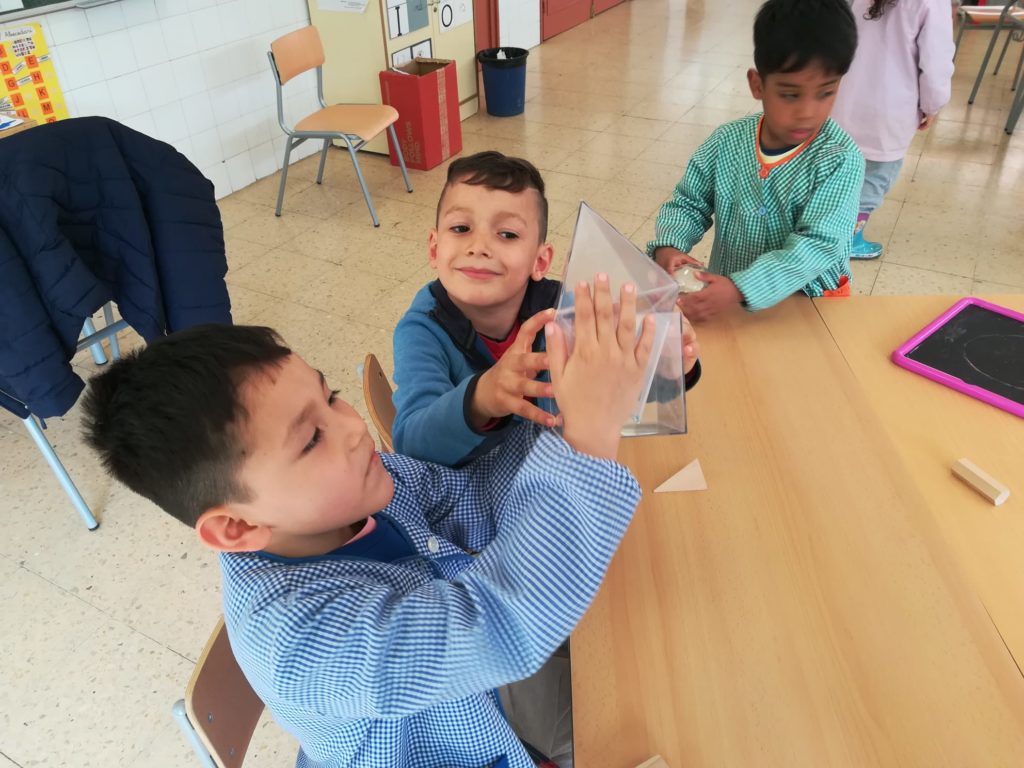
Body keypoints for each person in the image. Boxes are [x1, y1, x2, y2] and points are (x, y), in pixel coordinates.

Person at [81, 278, 655, 768]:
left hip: (485, 697)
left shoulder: (362, 488)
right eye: (312, 439)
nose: (354, 428)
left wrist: (563, 408)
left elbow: (477, 503)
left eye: (330, 397)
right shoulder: (299, 643)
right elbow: (495, 626)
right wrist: (585, 443)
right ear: (236, 529)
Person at [393, 150, 701, 466]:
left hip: (555, 468)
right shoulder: (422, 331)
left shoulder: (562, 309)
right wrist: (481, 398)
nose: (478, 247)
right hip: (473, 487)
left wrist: (668, 366)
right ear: (434, 249)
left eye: (507, 234)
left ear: (540, 261)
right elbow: (411, 444)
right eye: (461, 228)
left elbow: (616, 389)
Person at [649, 0, 863, 321]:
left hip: (806, 307)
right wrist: (669, 246)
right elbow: (688, 203)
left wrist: (741, 287)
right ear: (757, 84)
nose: (807, 112)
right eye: (790, 94)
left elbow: (817, 245)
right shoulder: (726, 141)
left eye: (825, 93)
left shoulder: (839, 160)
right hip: (728, 300)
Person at [831, 0, 954, 259]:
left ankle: (822, 229)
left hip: (846, 96)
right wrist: (932, 105)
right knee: (875, 175)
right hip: (892, 106)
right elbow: (936, 63)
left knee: (837, 170)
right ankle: (849, 239)